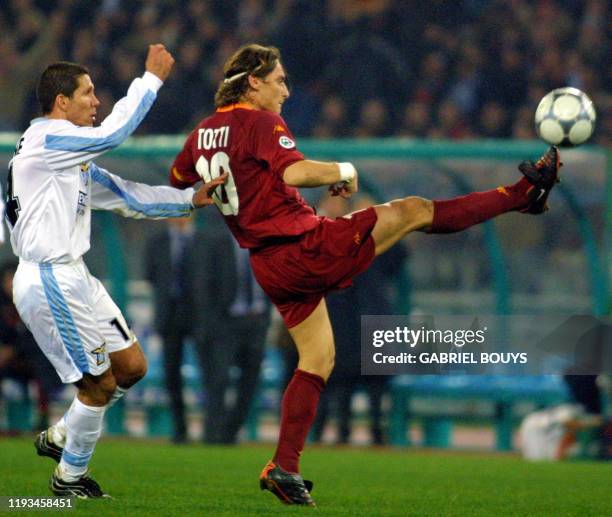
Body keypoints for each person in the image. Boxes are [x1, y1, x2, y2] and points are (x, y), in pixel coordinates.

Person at [170, 44, 561, 506]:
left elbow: (178, 178)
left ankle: (284, 467)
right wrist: (343, 169)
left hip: (267, 264)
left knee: (317, 361)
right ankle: (522, 193)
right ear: (253, 81)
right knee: (414, 210)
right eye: (279, 81)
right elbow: (294, 173)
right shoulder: (259, 122)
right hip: (303, 248)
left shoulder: (203, 133)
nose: (286, 90)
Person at [5, 44, 226, 499]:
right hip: (48, 278)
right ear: (61, 103)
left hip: (73, 274)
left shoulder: (67, 159)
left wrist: (189, 200)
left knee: (131, 367)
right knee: (100, 384)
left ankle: (63, 433)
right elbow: (113, 134)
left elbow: (126, 196)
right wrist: (150, 81)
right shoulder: (48, 140)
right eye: (87, 93)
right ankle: (68, 481)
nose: (96, 100)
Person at [194, 212, 270, 444]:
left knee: (251, 381)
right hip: (226, 321)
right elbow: (203, 283)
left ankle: (231, 431)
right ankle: (213, 433)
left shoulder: (266, 241)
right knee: (219, 379)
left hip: (256, 321)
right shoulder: (215, 240)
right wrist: (212, 321)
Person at [144, 216, 204, 444]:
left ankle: (212, 428)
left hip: (198, 316)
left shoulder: (201, 241)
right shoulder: (156, 241)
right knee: (172, 374)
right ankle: (180, 428)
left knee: (210, 373)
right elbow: (150, 275)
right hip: (168, 317)